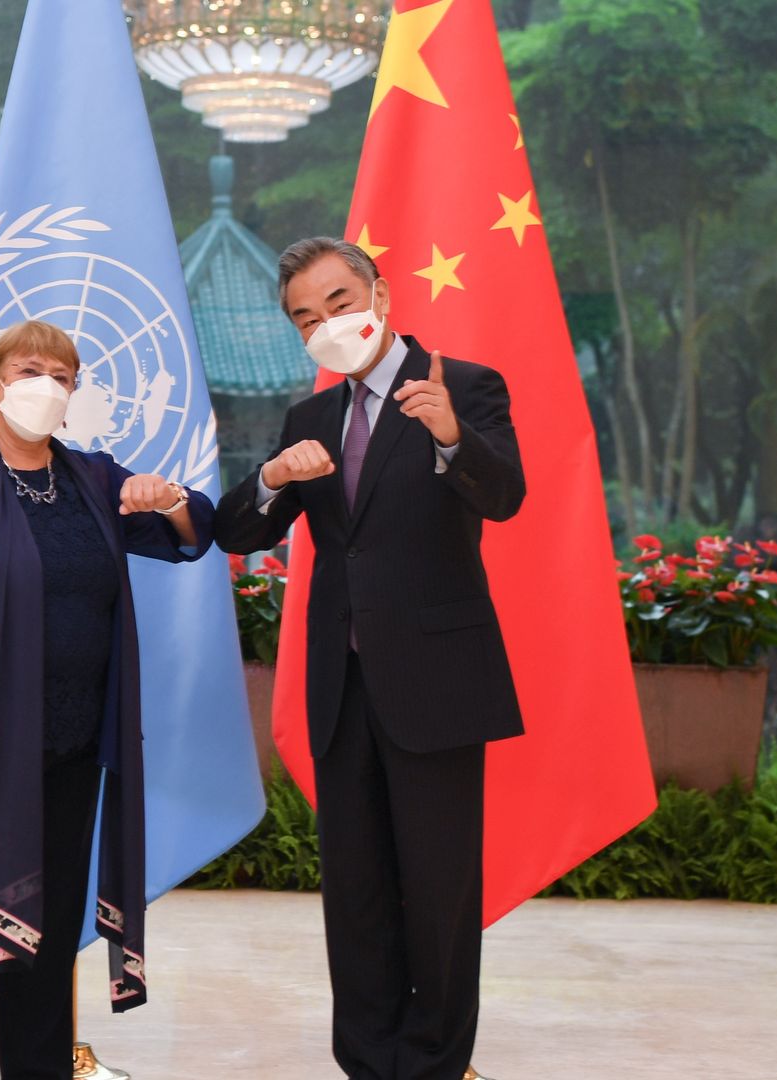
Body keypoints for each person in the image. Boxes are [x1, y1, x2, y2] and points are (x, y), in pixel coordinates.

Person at [214, 237, 526, 1080]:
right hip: (340, 688)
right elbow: (235, 531)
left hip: (438, 684)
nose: (327, 325)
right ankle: (367, 1059)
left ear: (380, 293)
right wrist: (274, 477)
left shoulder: (461, 384)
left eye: (340, 302)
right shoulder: (310, 418)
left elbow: (507, 498)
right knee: (354, 896)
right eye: (306, 318)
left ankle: (433, 1063)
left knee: (439, 897)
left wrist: (454, 435)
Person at [0, 318, 213, 1079]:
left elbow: (189, 536)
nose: (45, 387)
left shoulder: (93, 480)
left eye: (62, 377)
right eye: (29, 370)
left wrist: (172, 497)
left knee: (47, 932)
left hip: (69, 746)